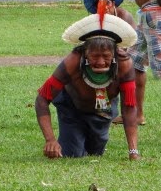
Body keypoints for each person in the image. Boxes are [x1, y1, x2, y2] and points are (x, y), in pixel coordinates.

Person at [35, 12, 141, 160]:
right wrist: (50, 140)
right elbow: (42, 99)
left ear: (114, 53)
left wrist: (133, 151)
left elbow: (129, 107)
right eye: (95, 56)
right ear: (85, 53)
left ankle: (92, 137)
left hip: (103, 111)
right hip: (72, 109)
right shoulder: (72, 62)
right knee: (72, 154)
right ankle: (72, 137)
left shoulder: (124, 65)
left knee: (94, 153)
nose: (100, 62)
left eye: (106, 56)